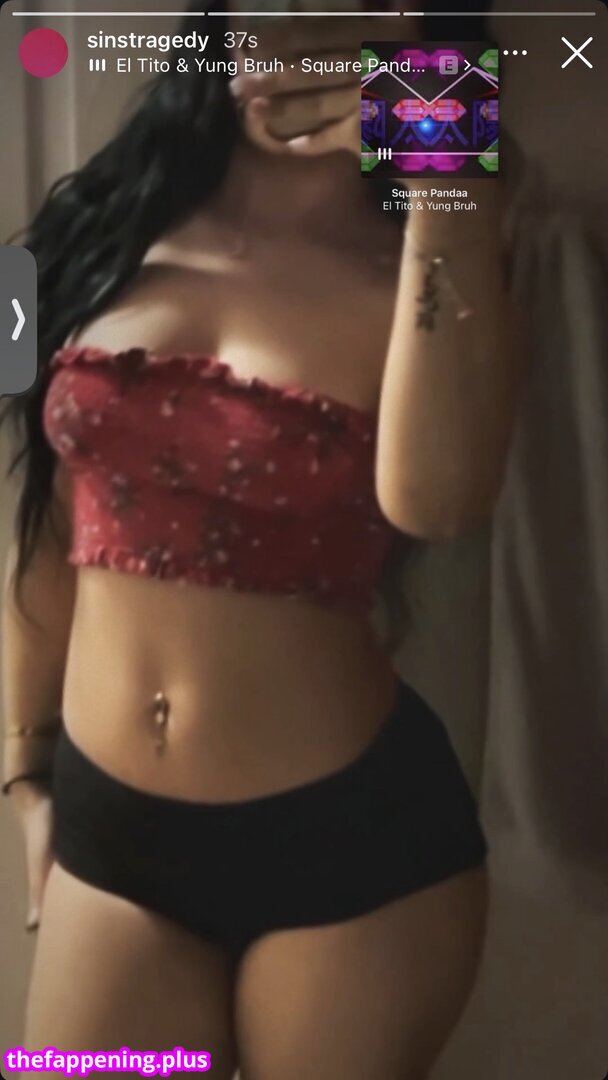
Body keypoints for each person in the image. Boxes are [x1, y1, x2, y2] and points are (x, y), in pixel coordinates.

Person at [2, 6, 519, 1079]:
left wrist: (447, 169)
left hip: (355, 857)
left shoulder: (434, 249)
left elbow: (439, 504)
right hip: (112, 842)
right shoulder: (94, 225)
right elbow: (46, 515)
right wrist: (24, 773)